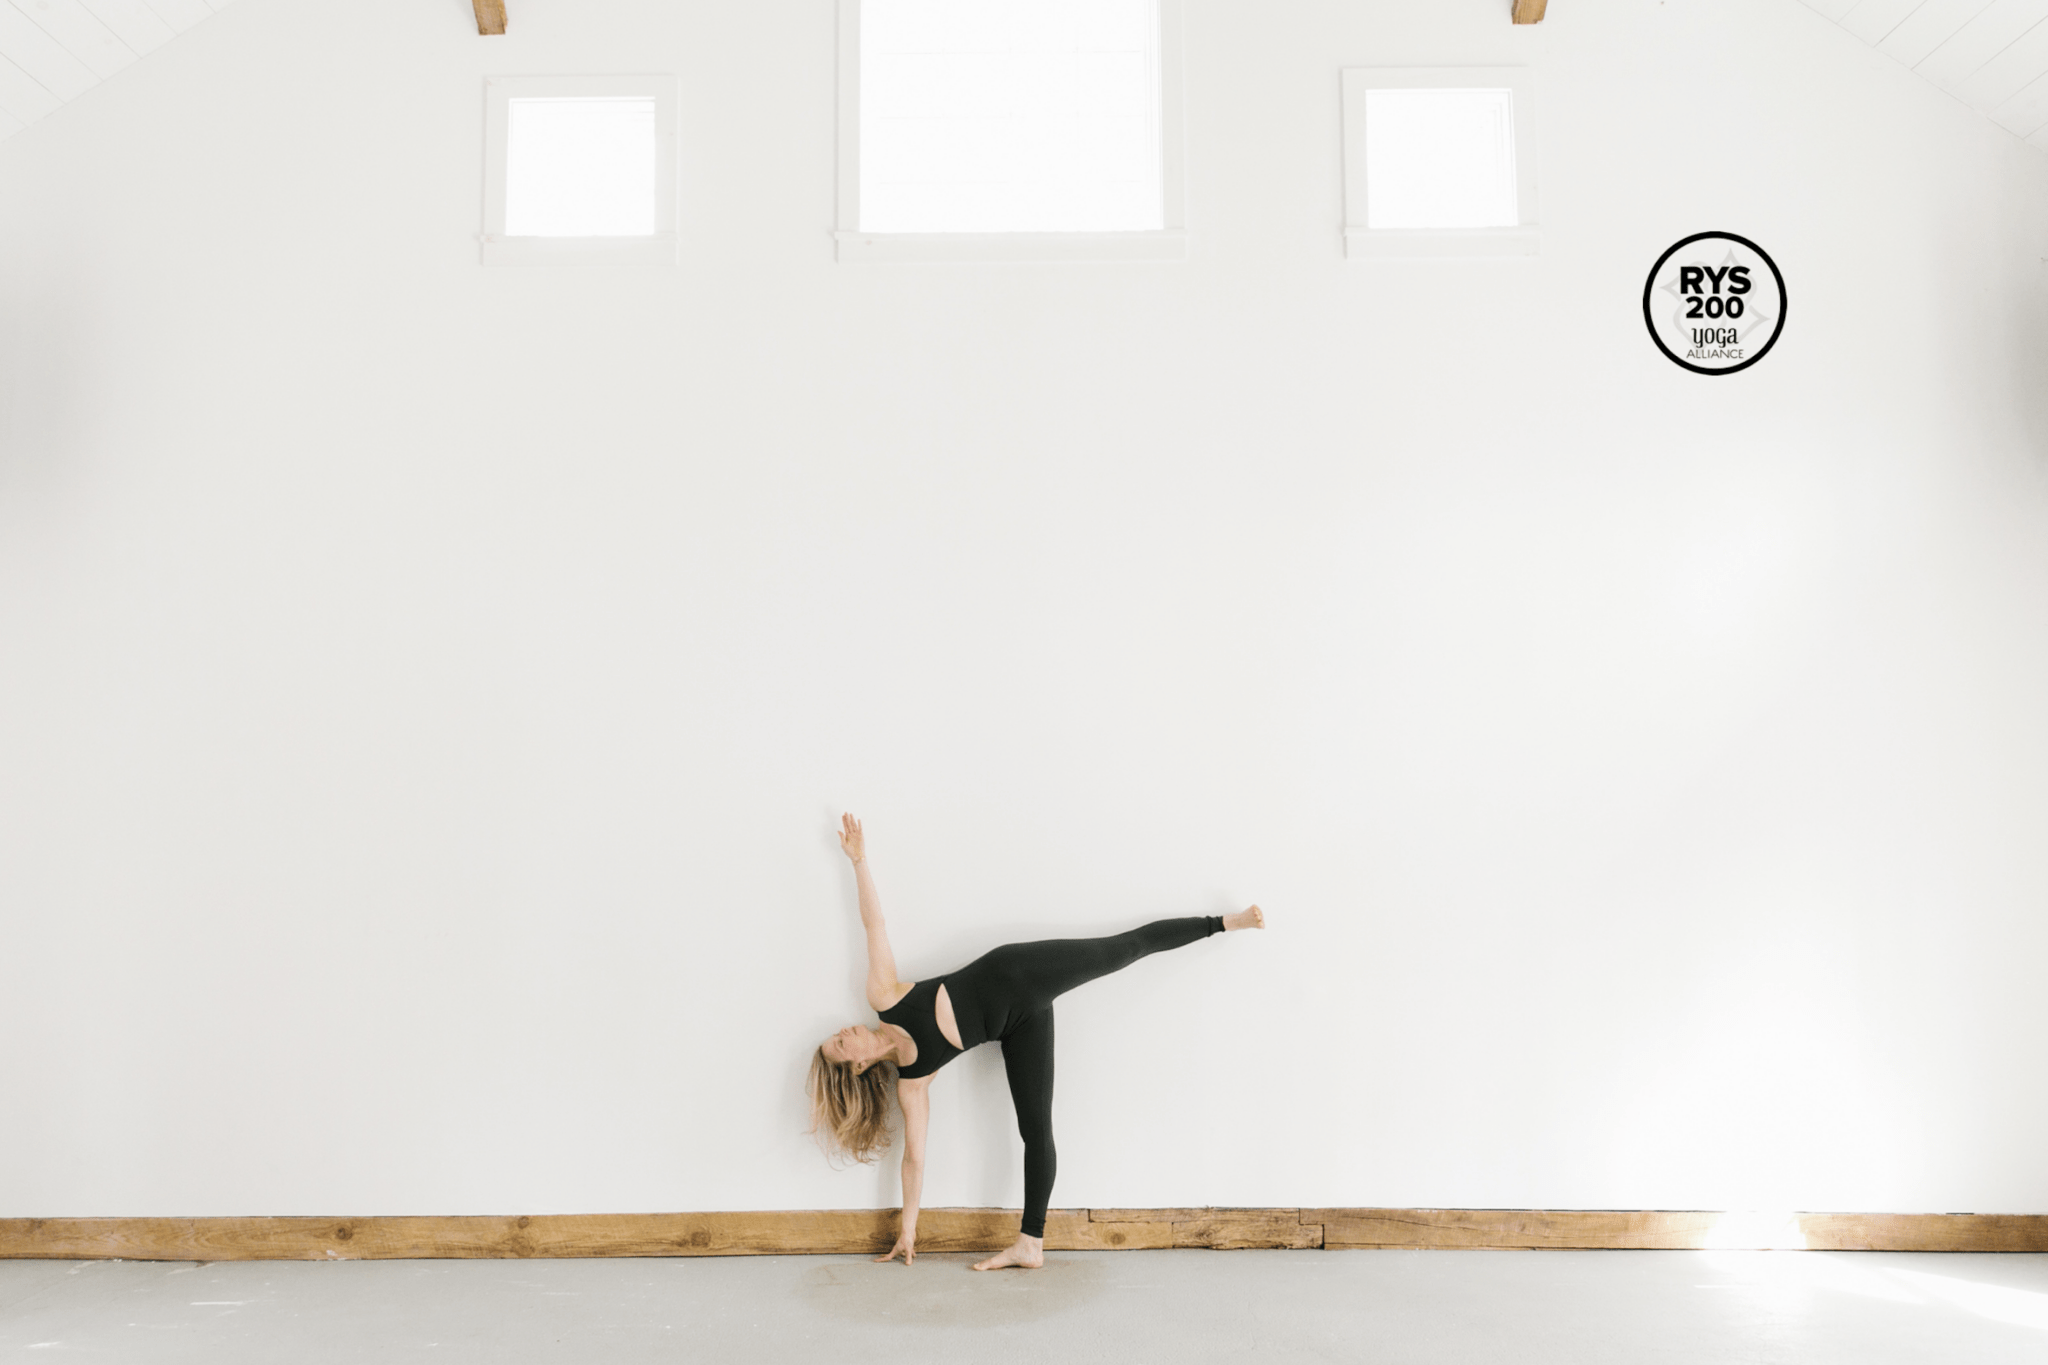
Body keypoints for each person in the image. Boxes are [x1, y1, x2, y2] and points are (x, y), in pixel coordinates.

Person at [808, 813, 1264, 1271]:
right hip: (1019, 1026)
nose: (844, 1032)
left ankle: (1226, 922)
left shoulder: (884, 995)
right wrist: (908, 1229)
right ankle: (1031, 1244)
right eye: (840, 1045)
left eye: (837, 1034)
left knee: (1125, 948)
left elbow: (874, 924)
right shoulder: (913, 1081)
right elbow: (914, 1160)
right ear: (858, 1068)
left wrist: (859, 861)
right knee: (1036, 1131)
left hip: (1018, 971)